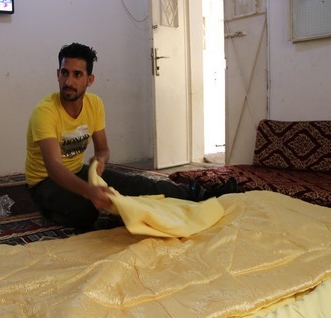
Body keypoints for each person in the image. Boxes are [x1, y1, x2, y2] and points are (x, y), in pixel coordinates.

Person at [25, 42, 237, 230]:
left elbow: (103, 150)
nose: (68, 81)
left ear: (90, 80)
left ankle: (202, 194)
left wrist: (100, 161)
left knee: (137, 183)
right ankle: (48, 209)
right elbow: (54, 167)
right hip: (44, 182)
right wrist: (90, 192)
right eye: (64, 73)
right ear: (57, 74)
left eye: (77, 75)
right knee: (86, 214)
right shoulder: (45, 112)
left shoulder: (95, 104)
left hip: (78, 171)